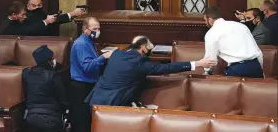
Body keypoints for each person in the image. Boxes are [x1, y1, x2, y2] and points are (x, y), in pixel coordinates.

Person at [84, 36, 215, 108]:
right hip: (111, 104)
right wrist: (197, 63)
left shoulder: (116, 53)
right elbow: (167, 68)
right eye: (149, 47)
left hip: (95, 97)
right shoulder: (139, 63)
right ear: (143, 48)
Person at [69, 17, 113, 132]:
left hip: (88, 85)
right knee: (82, 122)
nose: (97, 31)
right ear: (85, 29)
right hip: (81, 87)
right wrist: (103, 57)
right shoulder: (81, 44)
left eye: (99, 28)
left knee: (88, 120)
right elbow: (87, 67)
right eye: (94, 28)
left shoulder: (89, 42)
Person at [203, 6, 264, 78]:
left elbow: (210, 60)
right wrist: (261, 70)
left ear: (210, 20)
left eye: (205, 20)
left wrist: (207, 72)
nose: (205, 23)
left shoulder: (211, 33)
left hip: (236, 70)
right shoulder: (241, 26)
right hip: (255, 66)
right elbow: (258, 52)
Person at [22, 45, 68, 132]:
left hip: (30, 118)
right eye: (52, 58)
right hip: (51, 119)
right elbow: (63, 99)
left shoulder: (26, 73)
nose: (54, 60)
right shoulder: (54, 75)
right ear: (48, 61)